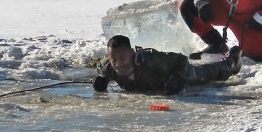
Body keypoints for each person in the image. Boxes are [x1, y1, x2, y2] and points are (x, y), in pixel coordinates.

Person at [92, 35, 242, 94]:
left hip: (176, 73)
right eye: (114, 58)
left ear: (132, 53)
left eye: (122, 58)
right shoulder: (108, 67)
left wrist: (177, 78)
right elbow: (101, 68)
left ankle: (234, 59)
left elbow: (181, 60)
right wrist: (101, 79)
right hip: (158, 86)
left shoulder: (149, 60)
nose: (118, 64)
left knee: (214, 73)